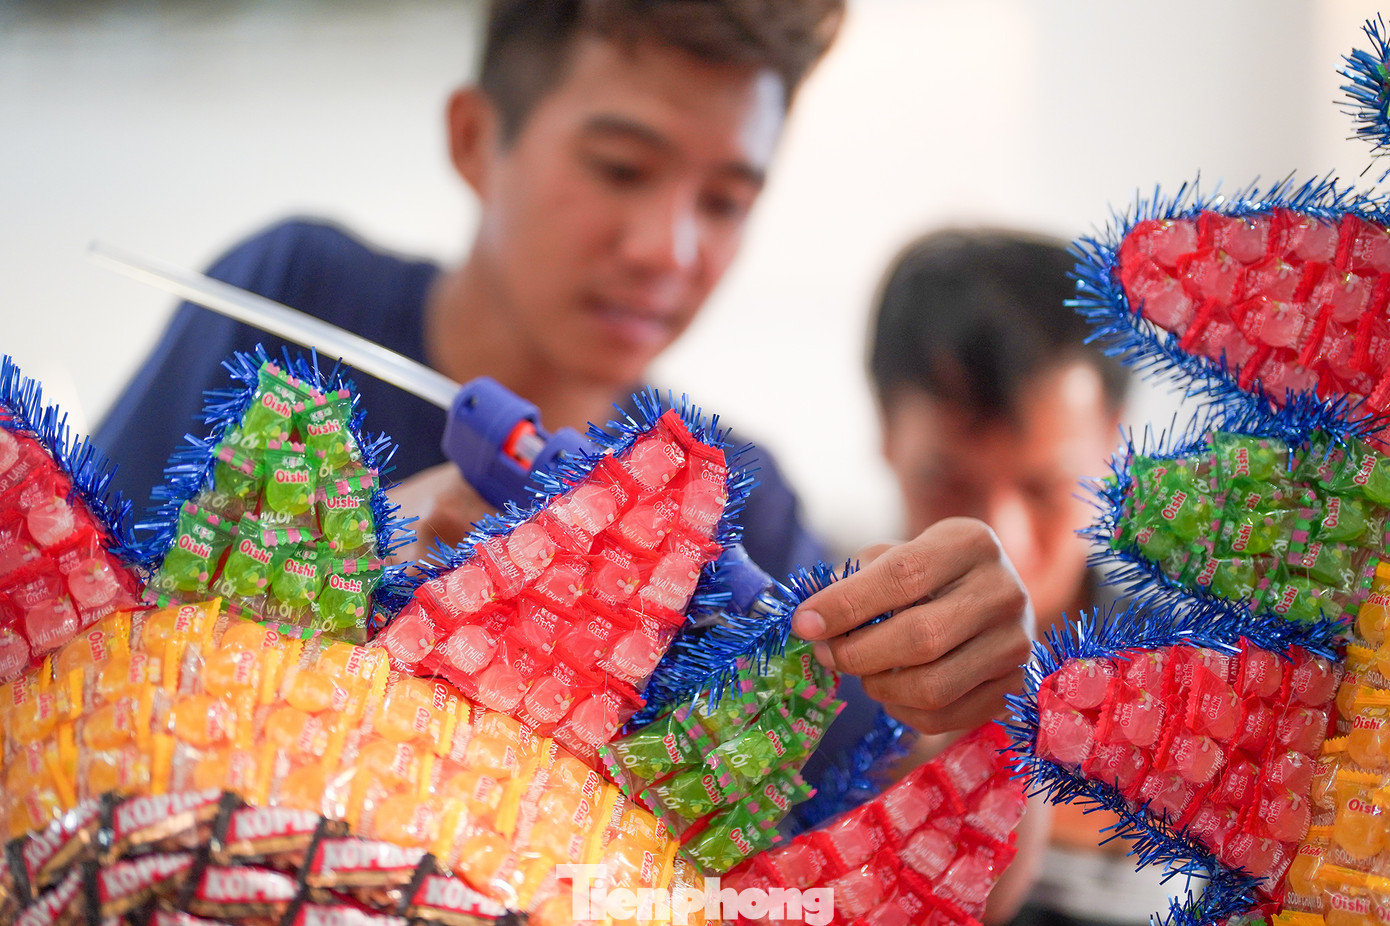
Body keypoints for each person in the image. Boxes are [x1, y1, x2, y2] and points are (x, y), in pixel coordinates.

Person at [97, 1, 1030, 777]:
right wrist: (352, 567)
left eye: (725, 202)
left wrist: (976, 699)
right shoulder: (294, 299)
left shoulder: (743, 502)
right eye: (620, 169)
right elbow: (58, 642)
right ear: (473, 139)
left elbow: (933, 870)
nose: (669, 249)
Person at [863, 228, 1186, 926]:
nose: (997, 539)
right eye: (945, 481)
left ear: (1114, 442)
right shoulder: (806, 647)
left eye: (1043, 487)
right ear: (885, 433)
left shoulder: (1217, 670)